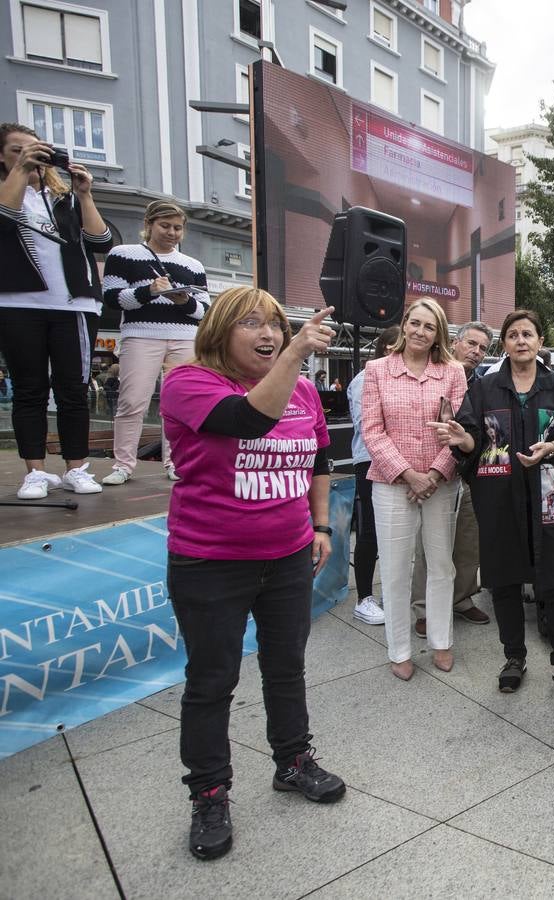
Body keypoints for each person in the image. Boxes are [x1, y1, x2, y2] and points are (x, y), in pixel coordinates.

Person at [159, 289, 345, 861]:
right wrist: (294, 355)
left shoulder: (306, 390)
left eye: (274, 324)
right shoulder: (189, 382)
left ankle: (293, 760)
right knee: (212, 681)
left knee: (285, 666)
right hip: (210, 562)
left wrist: (320, 527)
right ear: (219, 331)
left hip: (287, 557)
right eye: (251, 323)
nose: (268, 334)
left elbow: (317, 458)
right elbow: (248, 420)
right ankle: (209, 792)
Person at [438, 309, 554, 697]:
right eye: (513, 335)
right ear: (503, 344)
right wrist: (462, 439)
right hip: (500, 497)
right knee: (503, 581)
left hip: (550, 496)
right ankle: (514, 656)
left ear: (540, 342)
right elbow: (473, 441)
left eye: (528, 334)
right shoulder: (486, 388)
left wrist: (551, 446)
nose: (521, 341)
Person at [0, 122, 113, 499]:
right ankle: (34, 471)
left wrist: (85, 195)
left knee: (73, 390)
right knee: (29, 389)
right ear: (2, 156)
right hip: (17, 302)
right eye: (17, 150)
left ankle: (76, 467)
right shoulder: (6, 194)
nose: (30, 156)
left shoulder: (63, 198)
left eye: (35, 150)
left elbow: (101, 240)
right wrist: (19, 173)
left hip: (74, 305)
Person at [361, 298, 467, 680]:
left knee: (441, 565)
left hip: (441, 482)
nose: (421, 332)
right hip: (392, 484)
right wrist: (409, 474)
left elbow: (458, 430)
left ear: (438, 333)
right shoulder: (377, 370)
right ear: (404, 325)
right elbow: (372, 431)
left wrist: (435, 475)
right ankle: (399, 650)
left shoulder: (453, 373)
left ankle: (441, 641)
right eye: (416, 323)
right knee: (393, 570)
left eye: (430, 326)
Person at [100, 200, 210, 485]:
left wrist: (183, 301)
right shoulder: (123, 254)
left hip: (185, 336)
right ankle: (123, 464)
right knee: (132, 400)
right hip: (141, 334)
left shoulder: (192, 264)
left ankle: (176, 461)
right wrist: (148, 291)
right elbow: (112, 297)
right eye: (165, 226)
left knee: (181, 404)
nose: (172, 233)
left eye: (177, 228)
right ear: (148, 225)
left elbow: (204, 310)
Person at [412, 321, 495, 635]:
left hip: (471, 474)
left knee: (468, 541)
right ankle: (422, 607)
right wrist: (433, 472)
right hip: (434, 472)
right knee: (429, 545)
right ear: (455, 343)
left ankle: (461, 599)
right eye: (471, 344)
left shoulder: (484, 385)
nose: (475, 352)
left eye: (482, 348)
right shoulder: (433, 376)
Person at [347, 325, 400, 627]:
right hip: (369, 462)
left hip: (400, 462)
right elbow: (365, 425)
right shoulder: (364, 378)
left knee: (393, 532)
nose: (396, 351)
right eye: (391, 346)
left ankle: (388, 594)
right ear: (382, 348)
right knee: (370, 531)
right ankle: (364, 598)